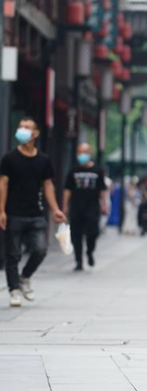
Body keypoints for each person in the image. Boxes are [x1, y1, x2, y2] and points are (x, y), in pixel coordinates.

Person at [0, 117, 66, 307]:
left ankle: (25, 277)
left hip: (36, 213)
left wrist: (55, 209)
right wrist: (1, 210)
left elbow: (48, 185)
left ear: (35, 134)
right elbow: (3, 184)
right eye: (20, 126)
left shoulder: (43, 160)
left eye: (27, 127)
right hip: (14, 213)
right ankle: (13, 290)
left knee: (40, 249)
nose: (22, 130)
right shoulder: (9, 158)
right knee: (12, 254)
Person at [63, 143, 108, 271]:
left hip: (92, 208)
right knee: (76, 236)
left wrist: (104, 205)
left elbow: (102, 190)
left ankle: (89, 251)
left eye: (85, 152)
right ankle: (78, 261)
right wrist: (65, 206)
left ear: (90, 153)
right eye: (80, 152)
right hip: (76, 208)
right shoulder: (73, 171)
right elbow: (67, 189)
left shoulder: (97, 171)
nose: (82, 155)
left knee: (93, 233)